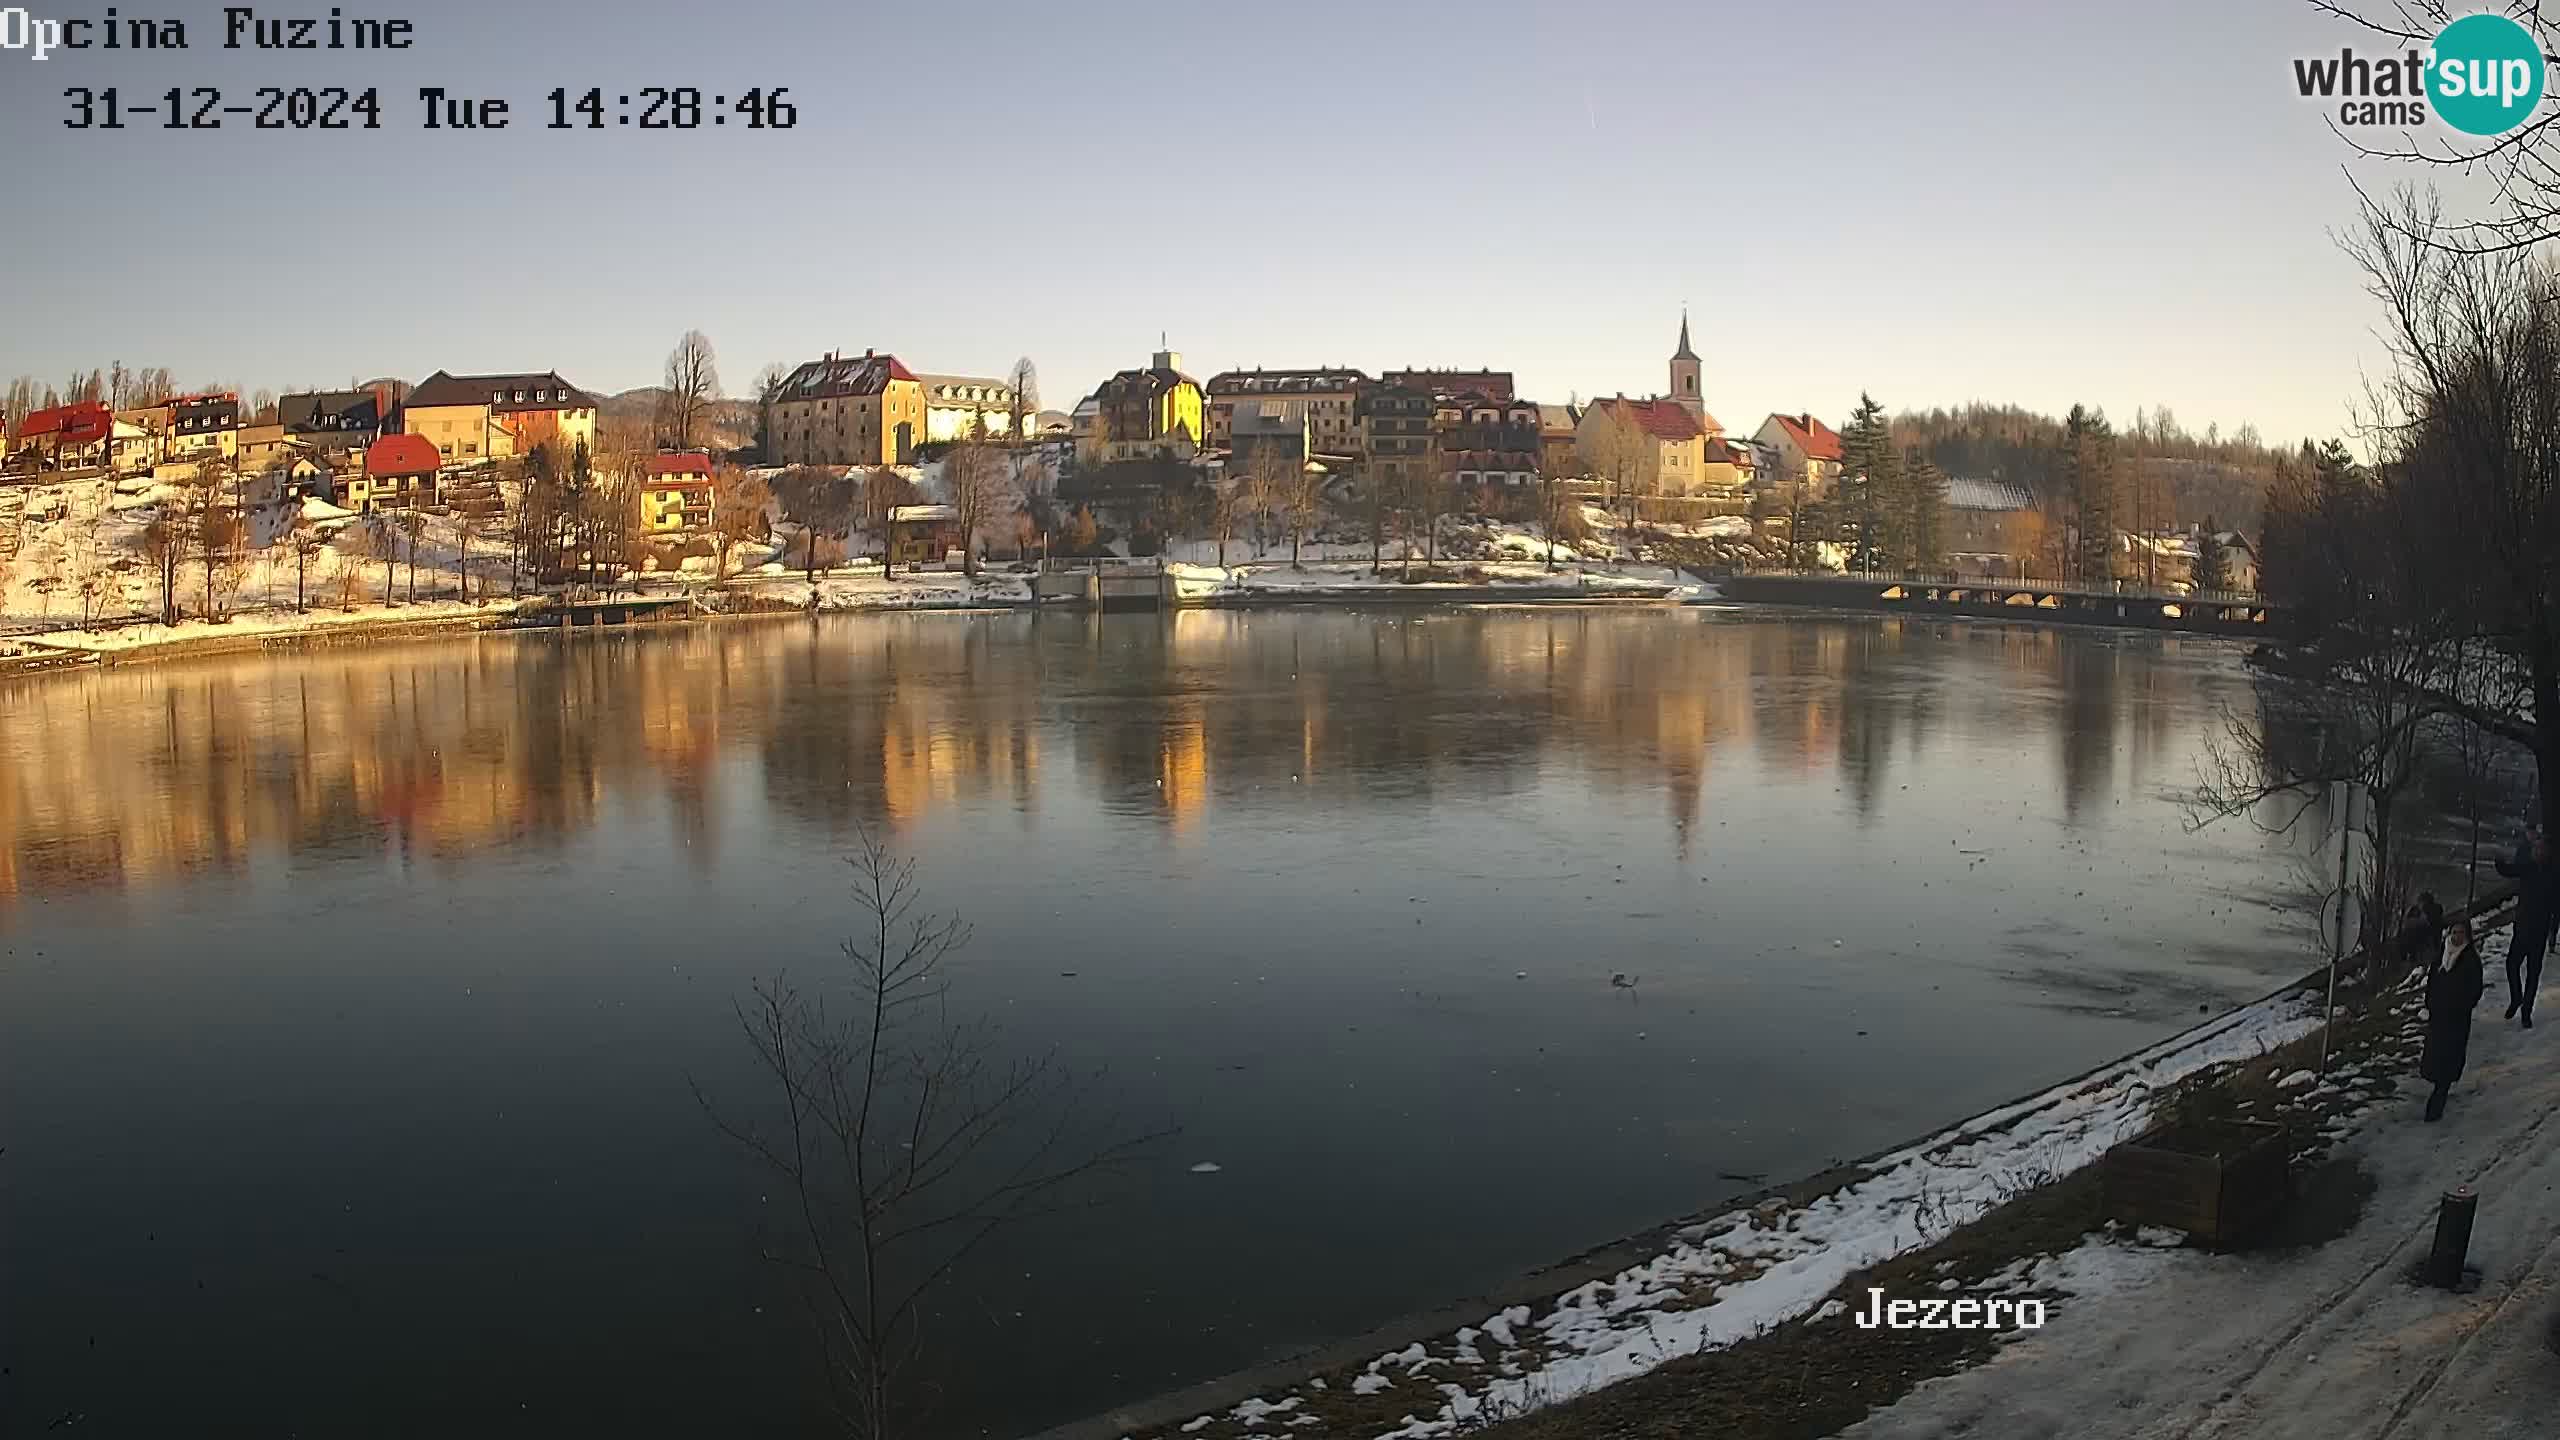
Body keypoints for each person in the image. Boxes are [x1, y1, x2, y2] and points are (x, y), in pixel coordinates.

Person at [2422, 918, 2486, 1122]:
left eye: (2460, 933)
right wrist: (2430, 1002)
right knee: (2435, 1057)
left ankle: (2438, 1101)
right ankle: (2438, 1088)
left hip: (2456, 1020)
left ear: (2467, 935)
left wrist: (2461, 1006)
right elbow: (2432, 981)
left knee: (2448, 1061)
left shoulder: (2471, 961)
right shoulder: (2442, 955)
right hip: (2439, 1017)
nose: (2456, 936)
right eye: (2454, 932)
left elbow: (2475, 991)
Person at [2494, 830, 2559, 1026]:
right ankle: (2516, 998)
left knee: (2533, 973)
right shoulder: (2528, 867)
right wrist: (2499, 861)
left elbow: (2557, 904)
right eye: (2535, 849)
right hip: (2522, 927)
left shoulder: (2554, 874)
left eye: (2541, 849)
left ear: (2548, 852)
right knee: (2512, 964)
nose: (2537, 852)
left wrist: (2553, 927)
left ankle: (2526, 1012)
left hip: (2540, 930)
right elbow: (2508, 870)